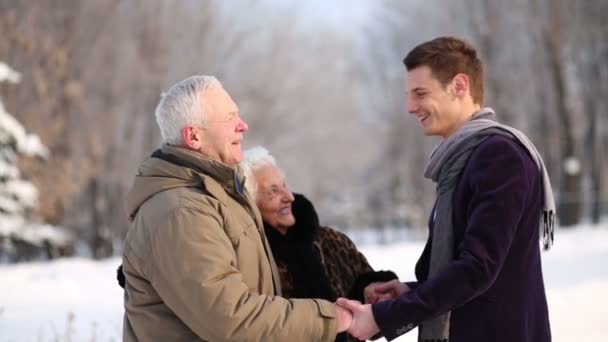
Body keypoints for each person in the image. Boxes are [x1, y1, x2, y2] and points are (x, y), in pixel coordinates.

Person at [337, 36, 554, 342]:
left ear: (460, 86)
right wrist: (407, 293)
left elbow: (478, 269)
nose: (410, 107)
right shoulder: (462, 162)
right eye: (409, 95)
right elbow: (469, 272)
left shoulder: (500, 156)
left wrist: (383, 317)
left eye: (420, 93)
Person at [120, 75, 353, 341]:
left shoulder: (223, 195)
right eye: (229, 118)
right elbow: (231, 318)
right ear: (194, 136)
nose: (243, 126)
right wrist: (331, 319)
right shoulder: (181, 212)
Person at [240, 146, 398, 342]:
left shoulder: (331, 241)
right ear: (251, 204)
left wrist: (370, 293)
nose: (289, 197)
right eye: (273, 192)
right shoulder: (250, 257)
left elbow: (368, 313)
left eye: (284, 185)